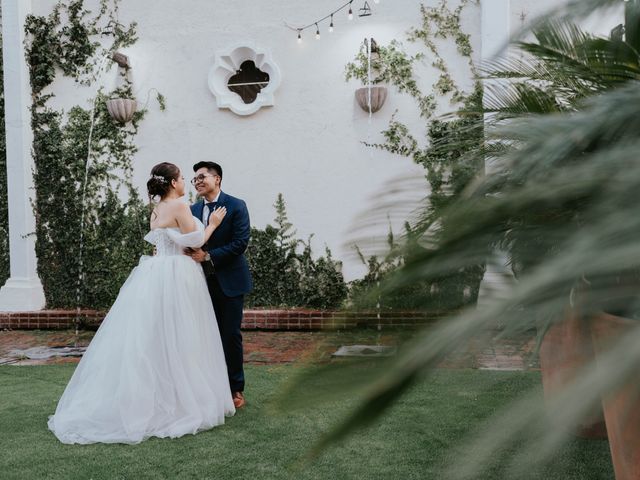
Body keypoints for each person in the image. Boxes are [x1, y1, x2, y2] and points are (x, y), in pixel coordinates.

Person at [47, 162, 235, 445]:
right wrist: (212, 226)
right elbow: (195, 241)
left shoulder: (158, 208)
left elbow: (164, 242)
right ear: (173, 183)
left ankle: (159, 396)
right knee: (183, 336)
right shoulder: (180, 206)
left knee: (154, 337)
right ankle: (181, 402)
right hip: (178, 274)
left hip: (155, 272)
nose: (185, 181)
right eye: (183, 177)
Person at [186, 161, 253, 409]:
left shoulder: (236, 205)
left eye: (202, 176)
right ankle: (209, 389)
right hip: (198, 282)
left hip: (230, 281)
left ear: (218, 179)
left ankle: (235, 389)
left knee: (230, 336)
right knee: (203, 337)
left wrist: (209, 256)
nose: (198, 181)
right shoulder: (191, 210)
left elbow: (240, 243)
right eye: (194, 179)